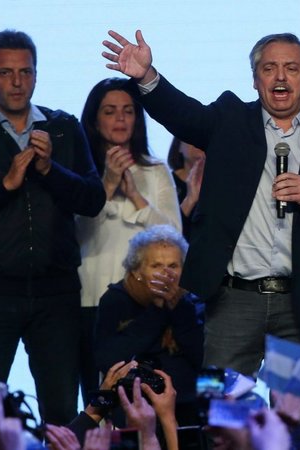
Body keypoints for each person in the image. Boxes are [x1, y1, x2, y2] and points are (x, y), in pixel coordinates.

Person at [100, 31, 300, 380]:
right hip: (233, 300)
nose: (280, 77)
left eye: (291, 68)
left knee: (299, 411)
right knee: (221, 407)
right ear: (255, 79)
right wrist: (146, 76)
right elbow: (183, 114)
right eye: (269, 68)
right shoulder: (229, 120)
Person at [0, 29, 105, 425]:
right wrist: (5, 185)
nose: (16, 82)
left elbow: (92, 199)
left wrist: (49, 170)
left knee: (61, 413)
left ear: (36, 76)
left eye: (25, 72)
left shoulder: (63, 127)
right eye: (6, 73)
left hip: (56, 295)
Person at [77, 77, 181, 405]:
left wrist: (136, 197)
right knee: (98, 397)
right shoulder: (80, 172)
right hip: (90, 297)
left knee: (143, 397)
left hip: (145, 299)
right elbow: (78, 233)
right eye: (110, 111)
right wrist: (107, 184)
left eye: (128, 111)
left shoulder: (155, 169)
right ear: (95, 120)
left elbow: (173, 236)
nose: (120, 119)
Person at [94, 224, 204, 427]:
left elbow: (201, 358)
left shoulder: (193, 300)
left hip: (185, 400)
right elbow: (108, 360)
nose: (166, 274)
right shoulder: (116, 299)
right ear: (137, 271)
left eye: (173, 266)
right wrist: (157, 310)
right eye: (156, 266)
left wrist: (180, 309)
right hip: (132, 400)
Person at [167, 137, 205, 240]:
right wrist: (190, 200)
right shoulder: (166, 182)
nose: (198, 142)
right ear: (178, 146)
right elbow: (164, 231)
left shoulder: (220, 184)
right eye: (192, 135)